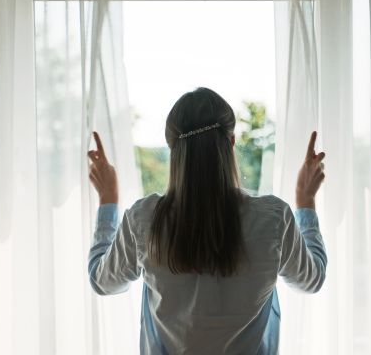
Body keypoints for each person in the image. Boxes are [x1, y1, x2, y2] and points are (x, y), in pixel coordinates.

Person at [87, 87, 327, 354]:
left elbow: (103, 281)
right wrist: (306, 202)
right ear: (232, 142)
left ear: (172, 149)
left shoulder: (144, 218)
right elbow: (311, 280)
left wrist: (108, 200)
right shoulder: (274, 218)